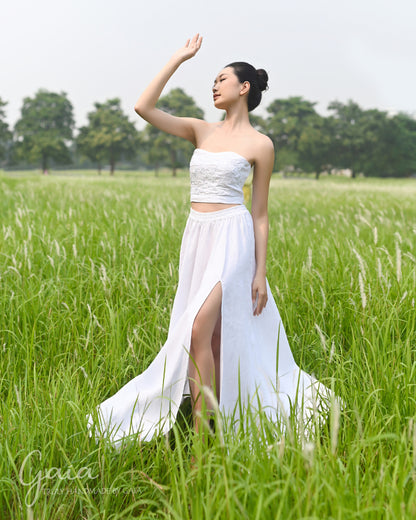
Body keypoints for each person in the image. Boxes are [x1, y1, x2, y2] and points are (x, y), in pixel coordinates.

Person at [87, 35, 335, 445]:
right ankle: (216, 414)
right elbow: (142, 107)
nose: (214, 86)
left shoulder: (261, 145)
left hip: (234, 239)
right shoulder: (200, 130)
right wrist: (176, 59)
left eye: (221, 79)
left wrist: (260, 271)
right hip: (197, 237)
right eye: (212, 80)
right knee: (212, 337)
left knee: (200, 328)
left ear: (244, 88)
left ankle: (201, 445)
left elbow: (260, 214)